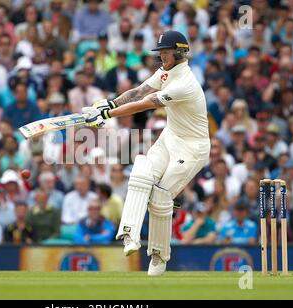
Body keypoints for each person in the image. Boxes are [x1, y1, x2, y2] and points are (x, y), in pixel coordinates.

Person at [83, 30, 211, 276]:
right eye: (160, 52)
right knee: (141, 171)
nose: (162, 56)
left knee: (161, 196)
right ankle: (130, 234)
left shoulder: (185, 83)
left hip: (193, 147)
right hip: (170, 137)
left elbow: (146, 104)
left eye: (166, 52)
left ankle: (159, 256)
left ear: (180, 52)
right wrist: (110, 104)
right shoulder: (165, 72)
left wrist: (107, 115)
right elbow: (138, 92)